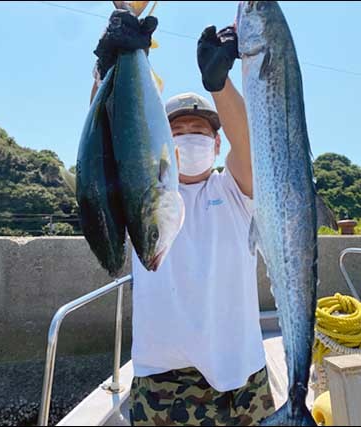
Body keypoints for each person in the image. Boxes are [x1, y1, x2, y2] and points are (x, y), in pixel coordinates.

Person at [90, 10, 274, 426]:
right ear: (161, 142)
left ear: (216, 141)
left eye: (200, 130)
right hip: (162, 379)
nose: (190, 136)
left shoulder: (236, 191)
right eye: (178, 130)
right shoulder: (138, 192)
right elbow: (107, 139)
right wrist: (105, 70)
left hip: (243, 373)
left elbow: (249, 146)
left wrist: (219, 83)